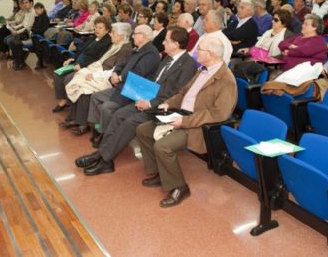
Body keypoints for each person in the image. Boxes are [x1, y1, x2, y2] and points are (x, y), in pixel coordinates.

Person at [76, 27, 197, 175]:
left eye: (166, 40)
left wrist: (150, 103)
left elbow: (176, 94)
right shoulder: (167, 58)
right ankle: (104, 156)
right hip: (149, 99)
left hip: (163, 107)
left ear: (176, 44)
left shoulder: (188, 64)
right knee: (118, 114)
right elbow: (154, 82)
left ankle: (103, 158)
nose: (163, 43)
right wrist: (143, 97)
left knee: (130, 122)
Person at [135, 36, 236, 208]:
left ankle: (179, 187)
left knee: (163, 146)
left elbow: (219, 114)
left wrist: (185, 121)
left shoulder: (226, 80)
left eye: (200, 50)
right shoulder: (202, 69)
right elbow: (183, 93)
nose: (195, 52)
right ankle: (161, 172)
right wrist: (169, 103)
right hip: (179, 114)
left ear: (210, 54)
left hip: (196, 125)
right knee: (143, 130)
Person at [75, 25, 160, 137]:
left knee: (106, 107)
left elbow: (138, 72)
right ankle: (97, 127)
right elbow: (123, 64)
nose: (132, 36)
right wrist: (116, 73)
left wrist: (120, 78)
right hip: (122, 86)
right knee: (95, 97)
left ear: (143, 36)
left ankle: (104, 134)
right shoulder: (137, 49)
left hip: (133, 91)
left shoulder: (151, 53)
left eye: (135, 34)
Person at [61, 23, 133, 130]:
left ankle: (82, 124)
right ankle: (75, 117)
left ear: (121, 35)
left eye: (113, 33)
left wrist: (94, 74)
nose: (110, 35)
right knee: (76, 81)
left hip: (106, 78)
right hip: (99, 72)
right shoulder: (116, 44)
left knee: (84, 89)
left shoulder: (125, 49)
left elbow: (116, 70)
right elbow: (101, 60)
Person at [52, 16, 112, 111]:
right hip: (77, 63)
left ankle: (70, 103)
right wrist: (71, 59)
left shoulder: (107, 43)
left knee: (68, 78)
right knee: (57, 74)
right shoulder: (93, 38)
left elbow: (98, 59)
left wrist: (81, 66)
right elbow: (81, 51)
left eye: (100, 28)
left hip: (87, 67)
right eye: (96, 27)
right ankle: (64, 99)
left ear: (107, 30)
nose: (97, 29)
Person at [9, 2, 50, 70]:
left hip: (38, 39)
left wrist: (34, 30)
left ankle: (20, 62)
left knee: (16, 43)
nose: (36, 11)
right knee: (13, 42)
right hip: (33, 37)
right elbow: (33, 28)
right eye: (35, 9)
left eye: (38, 9)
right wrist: (34, 30)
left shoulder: (45, 18)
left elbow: (41, 30)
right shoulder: (37, 17)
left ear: (42, 9)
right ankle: (18, 61)